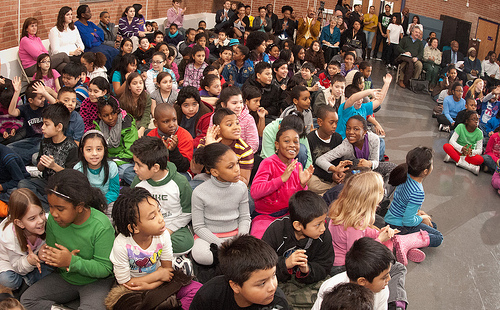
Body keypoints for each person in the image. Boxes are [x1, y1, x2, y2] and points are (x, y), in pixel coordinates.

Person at [20, 169, 115, 310]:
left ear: (80, 207)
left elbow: (105, 268)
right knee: (27, 300)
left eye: (60, 209)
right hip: (66, 278)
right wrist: (47, 255)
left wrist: (72, 262)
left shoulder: (101, 226)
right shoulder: (53, 220)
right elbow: (53, 249)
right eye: (51, 206)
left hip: (96, 282)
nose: (53, 213)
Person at [108, 187, 200, 309]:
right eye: (152, 217)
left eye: (159, 211)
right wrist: (156, 277)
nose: (161, 219)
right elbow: (125, 283)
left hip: (161, 282)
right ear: (134, 228)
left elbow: (167, 270)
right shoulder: (121, 245)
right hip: (133, 289)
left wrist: (156, 281)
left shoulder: (163, 234)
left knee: (197, 290)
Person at [262, 190, 333, 308]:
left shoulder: (323, 235)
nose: (323, 228)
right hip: (278, 281)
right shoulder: (276, 230)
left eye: (324, 222)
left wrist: (307, 269)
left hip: (308, 283)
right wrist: (285, 264)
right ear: (298, 225)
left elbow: (325, 266)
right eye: (317, 224)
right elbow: (262, 265)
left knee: (330, 294)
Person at [129, 136, 194, 256]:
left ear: (155, 168)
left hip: (172, 227)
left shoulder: (180, 182)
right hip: (146, 227)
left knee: (185, 243)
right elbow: (131, 209)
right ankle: (159, 254)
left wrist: (169, 230)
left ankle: (150, 252)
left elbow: (187, 212)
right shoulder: (138, 183)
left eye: (139, 165)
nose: (134, 168)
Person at [190, 234, 289, 309]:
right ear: (235, 286)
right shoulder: (209, 296)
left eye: (273, 275)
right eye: (262, 283)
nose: (272, 287)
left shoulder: (278, 303)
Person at [190, 143, 251, 265]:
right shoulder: (199, 192)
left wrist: (240, 240)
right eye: (230, 167)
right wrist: (221, 245)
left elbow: (245, 217)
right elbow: (198, 227)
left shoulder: (241, 188)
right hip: (209, 236)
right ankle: (229, 261)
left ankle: (226, 261)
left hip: (235, 234)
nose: (237, 169)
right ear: (214, 172)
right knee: (201, 255)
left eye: (237, 163)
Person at [250, 127, 314, 239]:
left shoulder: (297, 166)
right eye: (286, 141)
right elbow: (255, 192)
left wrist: (302, 185)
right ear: (277, 145)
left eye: (296, 142)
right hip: (265, 216)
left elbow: (298, 201)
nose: (292, 145)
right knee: (259, 245)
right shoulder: (268, 163)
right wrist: (281, 179)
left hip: (289, 216)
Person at [18, 103, 78, 210]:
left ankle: (45, 206)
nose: (42, 127)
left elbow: (72, 176)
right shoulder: (45, 142)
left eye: (46, 124)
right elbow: (40, 169)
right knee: (23, 184)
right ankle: (49, 206)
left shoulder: (71, 147)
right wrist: (41, 163)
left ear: (59, 127)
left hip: (62, 187)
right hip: (47, 183)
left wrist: (54, 166)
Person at [385, 147, 443, 251]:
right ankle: (404, 242)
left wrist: (419, 213)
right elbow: (408, 221)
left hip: (390, 220)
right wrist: (423, 218)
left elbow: (404, 203)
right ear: (425, 171)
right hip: (399, 227)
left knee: (433, 226)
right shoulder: (418, 192)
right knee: (438, 237)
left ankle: (408, 243)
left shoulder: (405, 174)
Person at [312, 237, 394, 310]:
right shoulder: (331, 291)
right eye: (384, 277)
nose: (389, 279)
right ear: (362, 281)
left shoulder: (381, 289)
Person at [316, 115, 395, 183]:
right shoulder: (345, 146)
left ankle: (382, 192)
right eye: (348, 128)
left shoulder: (374, 139)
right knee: (357, 162)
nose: (350, 132)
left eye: (356, 129)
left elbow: (375, 161)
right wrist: (335, 169)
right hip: (354, 173)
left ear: (364, 132)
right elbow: (320, 160)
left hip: (370, 169)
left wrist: (370, 164)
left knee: (393, 168)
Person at [0, 188, 51, 290]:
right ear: (20, 223)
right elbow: (17, 266)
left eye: (41, 213)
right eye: (32, 218)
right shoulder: (9, 238)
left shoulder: (46, 220)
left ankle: (30, 281)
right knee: (8, 280)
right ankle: (27, 282)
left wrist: (39, 257)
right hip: (12, 263)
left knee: (52, 267)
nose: (40, 220)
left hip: (35, 259)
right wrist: (29, 261)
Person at [193, 108, 254, 185]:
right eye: (229, 124)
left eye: (237, 123)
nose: (236, 127)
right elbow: (194, 169)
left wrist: (225, 173)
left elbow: (244, 182)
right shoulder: (206, 141)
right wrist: (208, 148)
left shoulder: (244, 150)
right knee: (198, 179)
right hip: (209, 180)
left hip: (232, 184)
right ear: (217, 129)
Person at [94, 95, 138, 185]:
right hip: (107, 161)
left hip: (125, 161)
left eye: (113, 113)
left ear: (118, 111)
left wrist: (111, 163)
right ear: (100, 116)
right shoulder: (98, 127)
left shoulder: (127, 126)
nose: (110, 118)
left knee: (126, 172)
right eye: (106, 115)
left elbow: (130, 153)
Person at [7, 79, 46, 165]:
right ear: (31, 100)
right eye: (40, 98)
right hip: (31, 139)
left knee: (31, 155)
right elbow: (11, 112)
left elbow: (58, 105)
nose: (43, 99)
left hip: (44, 140)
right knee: (8, 148)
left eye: (43, 96)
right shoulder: (25, 108)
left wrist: (45, 92)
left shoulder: (46, 105)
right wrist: (17, 92)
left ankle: (16, 162)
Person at [74, 130, 119, 205]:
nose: (94, 154)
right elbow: (78, 191)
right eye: (89, 150)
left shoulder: (112, 166)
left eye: (99, 149)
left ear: (104, 149)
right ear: (82, 151)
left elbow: (114, 191)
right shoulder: (78, 169)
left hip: (107, 201)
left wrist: (103, 203)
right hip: (86, 203)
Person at [146, 103, 193, 174]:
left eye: (174, 120)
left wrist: (173, 151)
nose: (172, 125)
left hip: (180, 172)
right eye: (166, 121)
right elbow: (147, 161)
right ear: (156, 123)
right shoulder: (151, 135)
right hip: (157, 171)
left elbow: (184, 167)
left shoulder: (185, 136)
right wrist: (161, 152)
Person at [307, 105, 343, 194]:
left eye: (336, 122)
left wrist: (337, 174)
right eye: (331, 123)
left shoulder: (337, 138)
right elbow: (310, 165)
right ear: (320, 122)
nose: (335, 126)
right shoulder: (310, 139)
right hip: (318, 177)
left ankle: (330, 192)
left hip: (334, 176)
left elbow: (339, 161)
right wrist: (330, 177)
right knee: (311, 183)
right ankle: (333, 192)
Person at [211, 86, 259, 154]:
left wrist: (242, 154)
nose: (239, 106)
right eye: (234, 103)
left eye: (241, 102)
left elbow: (254, 144)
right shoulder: (215, 116)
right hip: (219, 153)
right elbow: (212, 135)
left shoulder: (248, 119)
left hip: (242, 155)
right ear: (223, 105)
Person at [75, 5, 119, 70]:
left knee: (115, 51)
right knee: (104, 55)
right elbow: (86, 39)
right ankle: (107, 72)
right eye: (88, 12)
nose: (90, 13)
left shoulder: (90, 23)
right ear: (82, 15)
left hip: (99, 45)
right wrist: (95, 34)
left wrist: (93, 34)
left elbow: (101, 32)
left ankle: (115, 72)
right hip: (89, 48)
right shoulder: (77, 25)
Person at [443, 110, 484, 175]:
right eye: (473, 119)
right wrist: (461, 148)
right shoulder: (460, 126)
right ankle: (468, 166)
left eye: (477, 119)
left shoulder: (479, 132)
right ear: (467, 121)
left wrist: (472, 152)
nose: (476, 121)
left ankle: (453, 158)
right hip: (458, 150)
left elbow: (480, 150)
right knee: (446, 146)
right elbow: (452, 141)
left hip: (468, 155)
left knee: (480, 159)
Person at [119, 72, 153, 138]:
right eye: (135, 83)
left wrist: (141, 129)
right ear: (129, 86)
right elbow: (125, 118)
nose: (138, 86)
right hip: (129, 124)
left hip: (143, 123)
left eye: (140, 83)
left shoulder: (147, 98)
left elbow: (146, 115)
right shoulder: (123, 100)